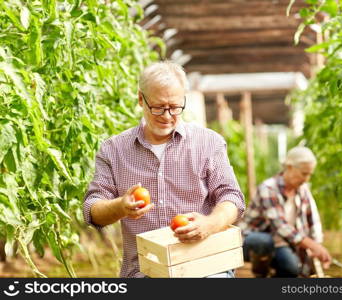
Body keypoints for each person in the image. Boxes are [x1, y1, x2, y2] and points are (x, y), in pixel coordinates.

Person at [83, 61, 245, 278]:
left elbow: (232, 197)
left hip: (204, 266)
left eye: (175, 107)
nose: (167, 116)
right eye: (158, 107)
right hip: (144, 271)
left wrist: (209, 223)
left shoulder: (208, 143)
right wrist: (121, 206)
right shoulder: (114, 150)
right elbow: (92, 210)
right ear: (141, 99)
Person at [239, 146, 331, 277]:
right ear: (289, 167)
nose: (307, 179)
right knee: (263, 242)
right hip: (254, 239)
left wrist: (317, 246)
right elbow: (281, 226)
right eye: (304, 173)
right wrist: (311, 245)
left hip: (281, 242)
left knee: (291, 269)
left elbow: (313, 220)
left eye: (310, 174)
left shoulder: (302, 190)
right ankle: (260, 271)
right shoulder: (268, 188)